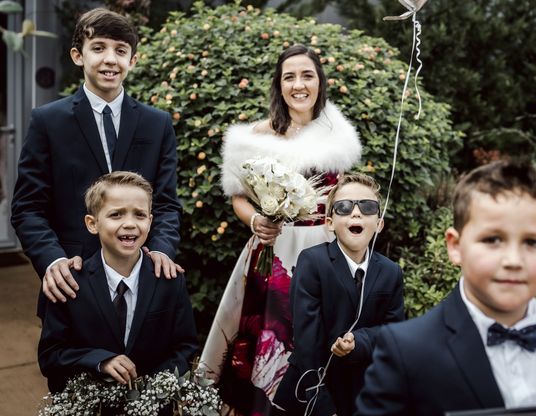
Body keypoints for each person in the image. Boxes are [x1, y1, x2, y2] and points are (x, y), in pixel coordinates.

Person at [355, 160, 536, 416]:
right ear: (455, 247)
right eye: (492, 240)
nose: (514, 261)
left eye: (532, 242)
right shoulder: (407, 350)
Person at [198, 44, 361, 415]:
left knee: (317, 332)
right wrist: (256, 220)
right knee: (269, 332)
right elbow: (238, 196)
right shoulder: (257, 135)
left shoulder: (338, 134)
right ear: (279, 84)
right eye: (290, 76)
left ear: (320, 82)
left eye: (307, 75)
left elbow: (344, 194)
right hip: (275, 250)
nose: (299, 84)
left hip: (324, 246)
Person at [11, 8, 182, 317]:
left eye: (120, 51)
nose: (110, 59)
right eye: (99, 48)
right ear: (78, 55)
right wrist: (53, 261)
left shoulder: (157, 124)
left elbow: (167, 204)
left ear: (132, 61)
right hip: (72, 279)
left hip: (141, 276)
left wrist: (161, 250)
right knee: (72, 364)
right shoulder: (48, 121)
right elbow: (28, 207)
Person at [38, 171, 198, 396]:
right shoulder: (69, 282)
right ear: (92, 223)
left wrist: (150, 392)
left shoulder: (169, 280)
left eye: (140, 215)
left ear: (150, 222)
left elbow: (185, 348)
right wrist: (99, 362)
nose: (130, 224)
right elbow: (51, 356)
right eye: (116, 215)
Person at [273, 172, 404, 416]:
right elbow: (306, 341)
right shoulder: (312, 262)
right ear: (330, 222)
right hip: (311, 389)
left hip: (363, 393)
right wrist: (321, 405)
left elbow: (393, 334)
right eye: (343, 207)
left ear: (379, 223)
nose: (356, 213)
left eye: (367, 207)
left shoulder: (391, 272)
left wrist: (359, 341)